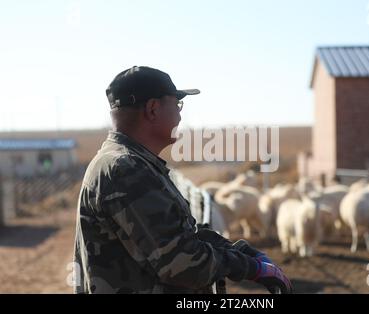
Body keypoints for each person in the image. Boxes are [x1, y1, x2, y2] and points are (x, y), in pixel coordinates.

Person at [73, 66, 292, 294]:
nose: (180, 115)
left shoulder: (131, 163)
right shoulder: (126, 169)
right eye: (177, 104)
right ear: (153, 109)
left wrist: (243, 252)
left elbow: (180, 235)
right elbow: (181, 263)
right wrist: (250, 268)